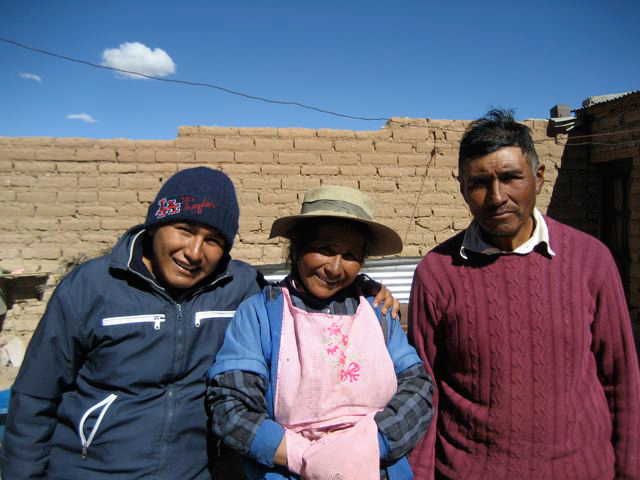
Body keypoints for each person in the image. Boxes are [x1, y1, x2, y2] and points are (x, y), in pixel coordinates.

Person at [1, 168, 398, 480]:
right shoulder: (91, 288)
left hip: (201, 473)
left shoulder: (240, 286)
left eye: (213, 240)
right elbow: (35, 401)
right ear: (156, 224)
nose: (194, 252)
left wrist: (362, 286)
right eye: (185, 230)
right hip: (91, 471)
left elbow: (305, 288)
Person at [408, 109, 640, 479]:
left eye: (511, 178)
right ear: (463, 188)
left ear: (539, 177)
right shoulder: (437, 273)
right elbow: (425, 390)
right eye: (480, 182)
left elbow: (622, 376)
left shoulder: (590, 260)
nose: (497, 197)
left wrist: (631, 468)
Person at [207, 185, 434, 480]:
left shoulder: (377, 312)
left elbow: (419, 388)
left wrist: (366, 447)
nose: (335, 268)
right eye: (325, 250)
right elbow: (230, 408)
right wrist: (307, 457)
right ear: (298, 247)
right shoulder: (260, 314)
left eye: (350, 255)